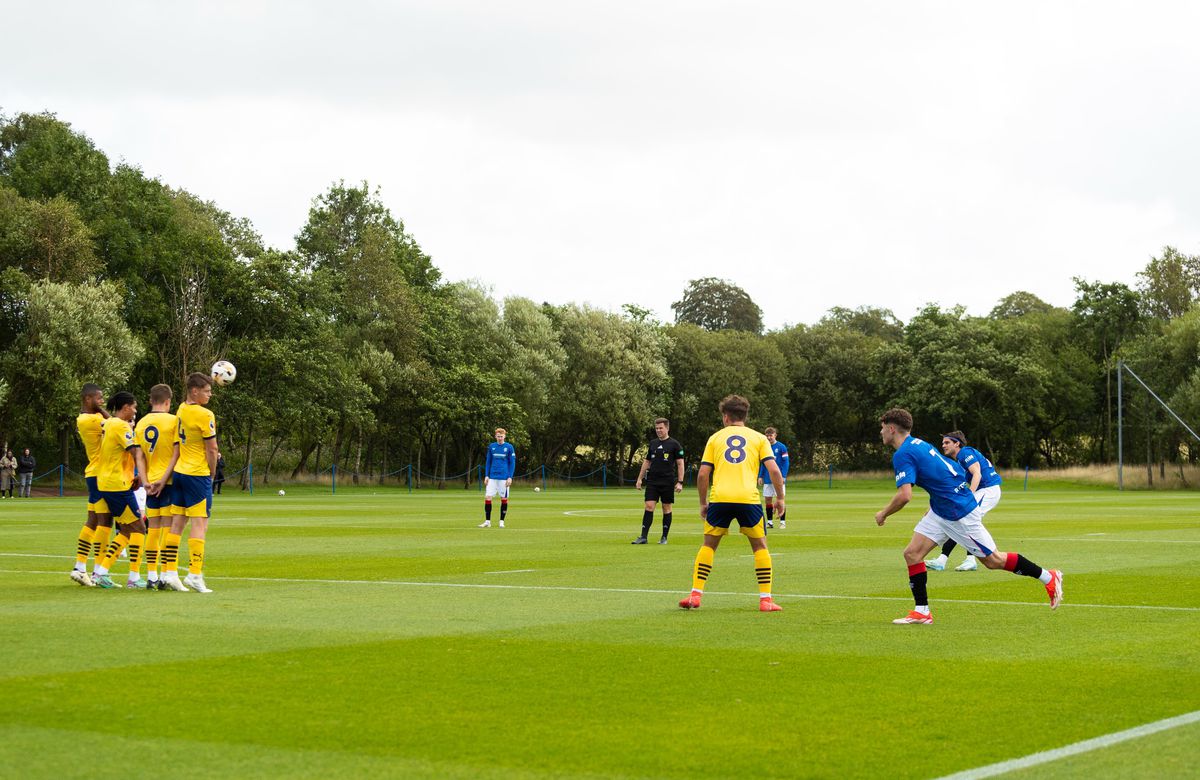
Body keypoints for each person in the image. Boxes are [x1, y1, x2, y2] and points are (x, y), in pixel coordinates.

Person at [873, 408, 1062, 625]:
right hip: (942, 508)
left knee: (993, 561)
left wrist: (883, 513)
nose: (881, 432)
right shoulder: (918, 444)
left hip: (958, 512)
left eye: (882, 428)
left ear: (891, 428)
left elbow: (905, 496)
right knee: (912, 554)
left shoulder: (903, 454)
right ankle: (922, 611)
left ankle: (1049, 577)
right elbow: (948, 471)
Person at [679, 394, 786, 612]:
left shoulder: (715, 438)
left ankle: (695, 595)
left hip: (720, 499)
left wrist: (702, 502)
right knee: (760, 547)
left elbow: (702, 475)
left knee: (709, 545)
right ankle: (765, 600)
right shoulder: (759, 438)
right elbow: (774, 470)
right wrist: (780, 498)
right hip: (749, 499)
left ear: (726, 417)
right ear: (744, 416)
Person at [89, 391, 153, 589]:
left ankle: (106, 572)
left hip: (110, 482)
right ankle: (113, 574)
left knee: (128, 529)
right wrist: (145, 473)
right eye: (134, 407)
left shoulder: (109, 423)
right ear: (126, 407)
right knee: (139, 527)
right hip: (116, 485)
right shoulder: (120, 426)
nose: (135, 411)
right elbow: (134, 451)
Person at [162, 372, 218, 593]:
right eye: (206, 390)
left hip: (180, 473)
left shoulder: (181, 409)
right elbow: (211, 448)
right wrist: (212, 474)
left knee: (177, 523)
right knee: (200, 524)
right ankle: (194, 574)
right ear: (194, 390)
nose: (210, 394)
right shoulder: (205, 414)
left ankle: (169, 572)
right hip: (197, 474)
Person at [927, 430, 1002, 572]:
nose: (943, 445)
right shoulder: (959, 460)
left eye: (947, 442)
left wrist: (969, 497)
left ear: (957, 443)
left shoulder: (964, 453)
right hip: (985, 490)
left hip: (989, 490)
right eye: (943, 442)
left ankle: (969, 560)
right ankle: (943, 560)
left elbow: (977, 473)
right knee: (960, 522)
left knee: (966, 521)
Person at [134, 383, 180, 590]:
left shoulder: (141, 423)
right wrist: (165, 477)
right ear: (168, 401)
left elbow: (139, 456)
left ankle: (151, 576)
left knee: (152, 529)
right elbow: (176, 453)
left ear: (151, 401)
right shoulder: (173, 421)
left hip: (150, 483)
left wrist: (144, 481)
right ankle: (166, 574)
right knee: (169, 529)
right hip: (169, 482)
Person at [69, 384, 111, 587]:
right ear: (87, 399)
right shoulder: (92, 419)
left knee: (93, 520)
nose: (102, 401)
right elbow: (117, 425)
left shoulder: (85, 418)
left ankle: (80, 567)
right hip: (99, 474)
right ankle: (97, 572)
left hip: (94, 473)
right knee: (104, 521)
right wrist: (103, 410)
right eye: (99, 398)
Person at [632, 418, 685, 544]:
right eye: (656, 428)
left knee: (666, 507)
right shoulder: (653, 443)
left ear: (667, 428)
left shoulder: (675, 445)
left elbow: (680, 464)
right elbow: (647, 461)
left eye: (661, 428)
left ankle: (664, 537)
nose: (658, 430)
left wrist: (680, 482)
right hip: (652, 481)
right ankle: (643, 537)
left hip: (667, 481)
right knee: (649, 506)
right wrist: (639, 478)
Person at [479, 428, 515, 528]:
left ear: (504, 436)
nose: (500, 438)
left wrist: (510, 477)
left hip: (504, 477)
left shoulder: (509, 447)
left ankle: (501, 521)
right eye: (498, 436)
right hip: (492, 477)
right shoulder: (492, 446)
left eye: (501, 436)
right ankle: (487, 521)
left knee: (504, 498)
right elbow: (488, 462)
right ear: (495, 436)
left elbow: (512, 463)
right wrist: (486, 475)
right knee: (487, 497)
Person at [758, 427, 790, 529]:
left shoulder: (781, 447)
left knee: (780, 499)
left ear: (775, 435)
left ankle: (782, 522)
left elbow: (786, 462)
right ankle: (770, 522)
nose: (769, 437)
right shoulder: (764, 447)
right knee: (768, 500)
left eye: (771, 435)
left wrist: (783, 476)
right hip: (767, 478)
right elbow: (763, 463)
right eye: (767, 435)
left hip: (779, 478)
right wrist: (760, 476)